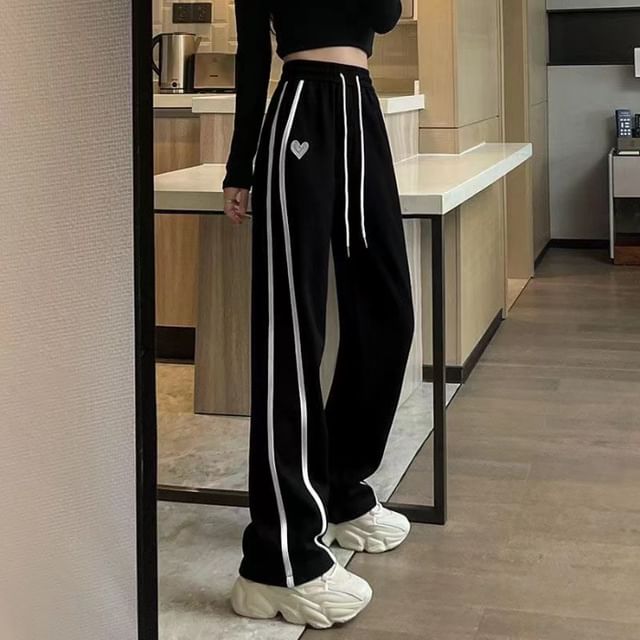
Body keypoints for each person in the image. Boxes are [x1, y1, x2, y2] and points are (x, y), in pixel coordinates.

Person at [222, 0, 415, 629]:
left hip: (360, 109)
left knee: (388, 314)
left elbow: (384, 14)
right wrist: (240, 165)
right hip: (300, 108)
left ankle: (337, 488)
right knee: (291, 333)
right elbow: (253, 52)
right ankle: (279, 559)